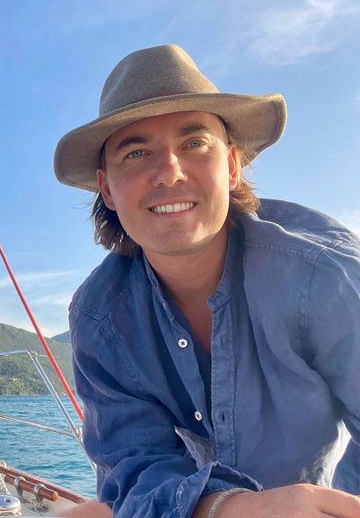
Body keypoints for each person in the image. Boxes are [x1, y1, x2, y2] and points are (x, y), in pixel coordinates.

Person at [53, 45, 360, 517]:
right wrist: (226, 509)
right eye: (136, 152)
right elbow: (134, 469)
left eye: (194, 143)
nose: (169, 172)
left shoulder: (322, 276)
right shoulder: (101, 317)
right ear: (107, 188)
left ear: (232, 166)